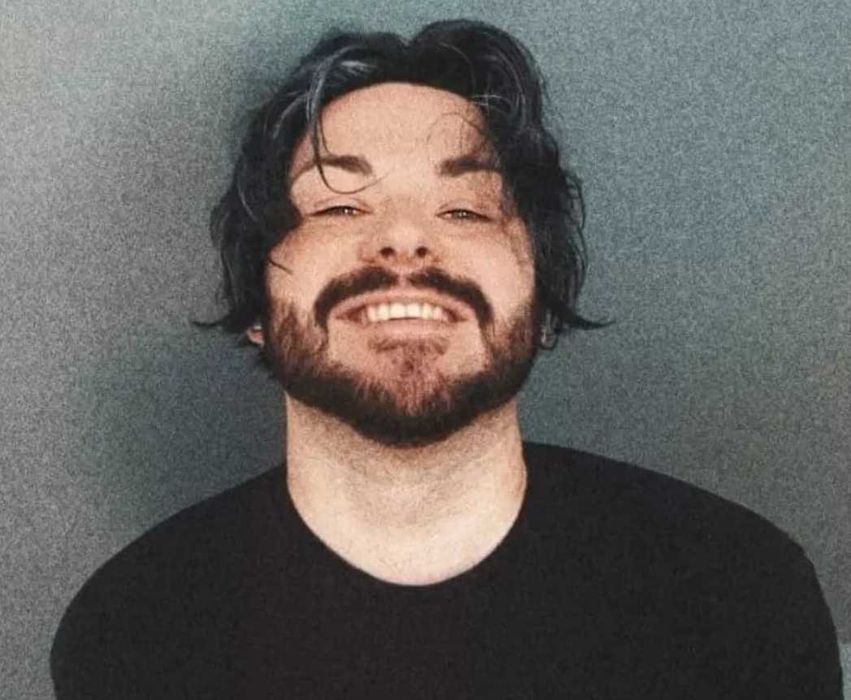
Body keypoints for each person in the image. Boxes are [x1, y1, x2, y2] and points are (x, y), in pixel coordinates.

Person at [50, 19, 842, 698]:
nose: (402, 236)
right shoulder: (136, 629)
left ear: (542, 302)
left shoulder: (738, 594)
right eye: (338, 204)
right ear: (256, 304)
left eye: (464, 208)